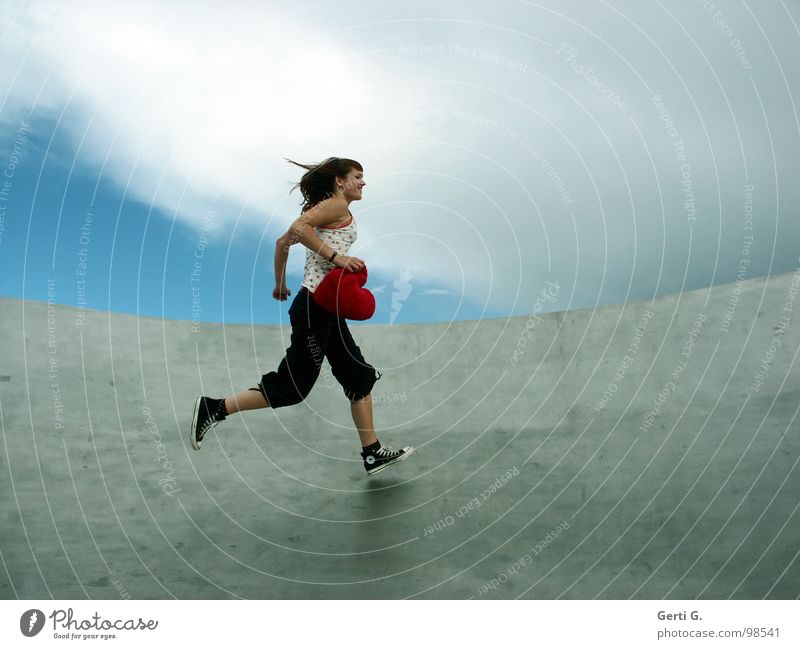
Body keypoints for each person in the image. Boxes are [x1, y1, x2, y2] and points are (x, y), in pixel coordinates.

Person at [189, 157, 414, 476]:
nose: (363, 183)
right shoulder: (335, 205)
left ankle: (372, 453)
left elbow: (283, 242)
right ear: (340, 181)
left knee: (359, 378)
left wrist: (280, 283)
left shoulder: (332, 207)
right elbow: (297, 229)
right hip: (313, 310)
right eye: (357, 177)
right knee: (292, 388)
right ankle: (214, 408)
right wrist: (337, 257)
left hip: (327, 310)